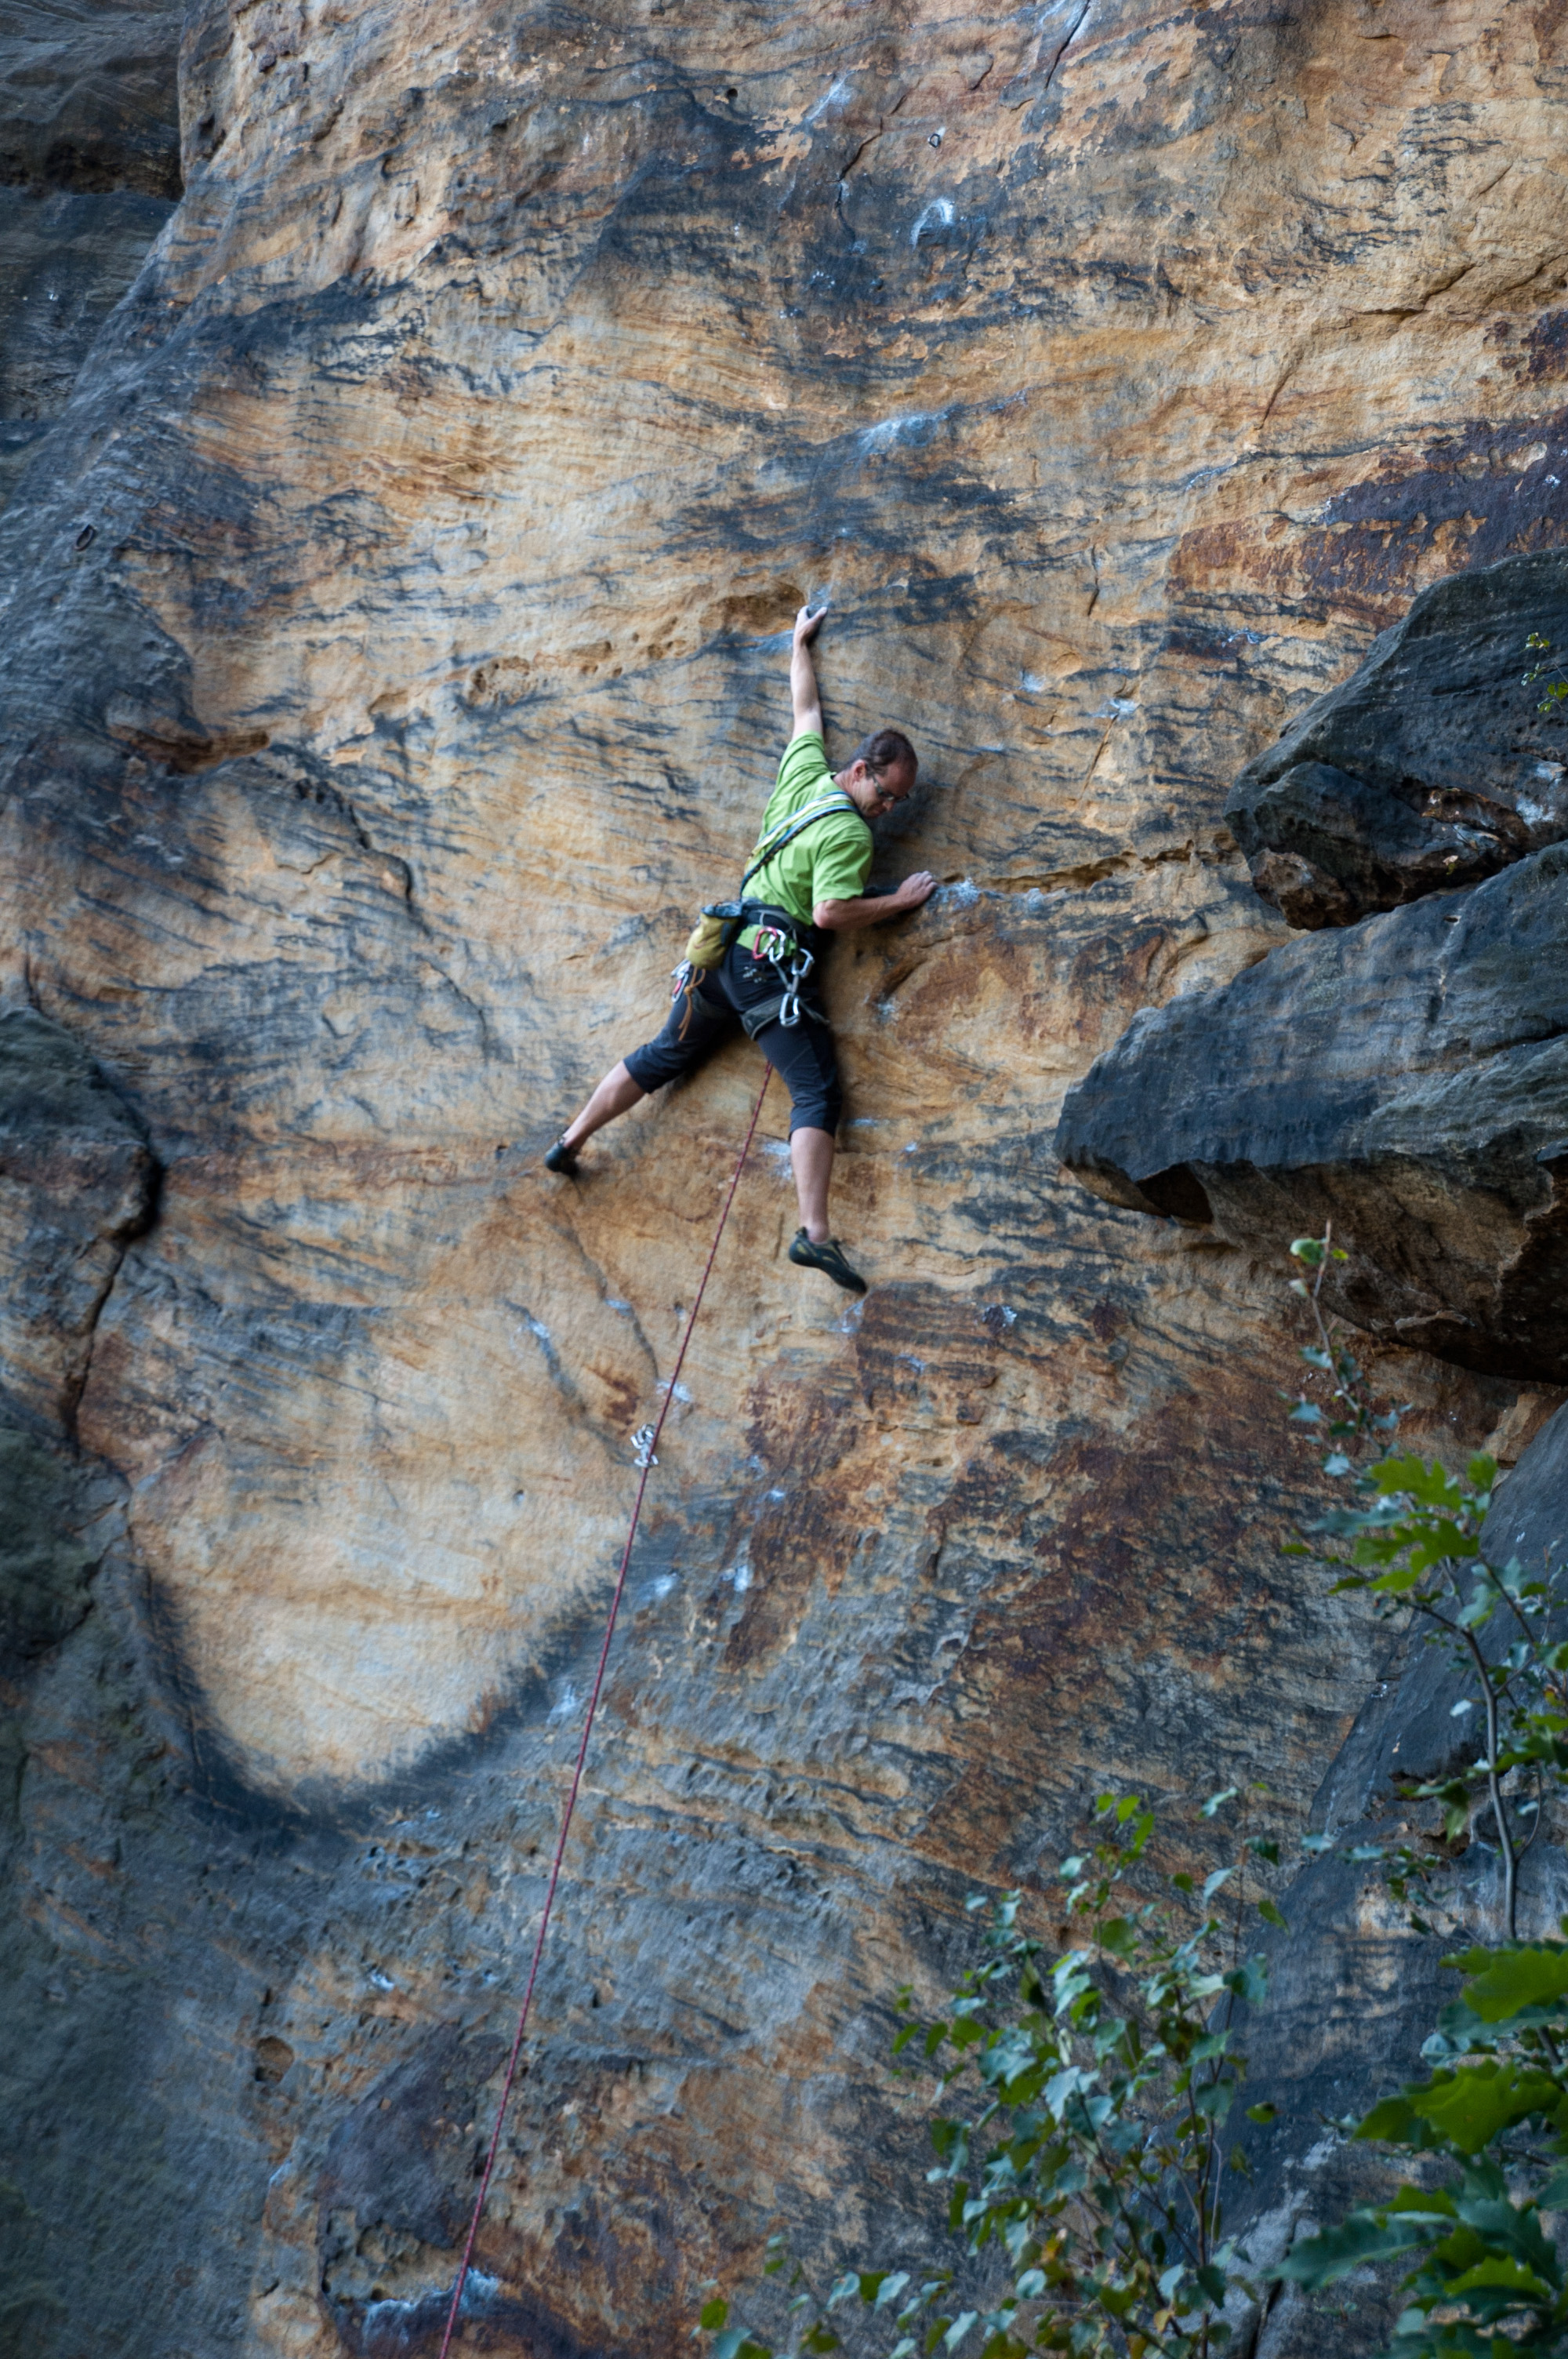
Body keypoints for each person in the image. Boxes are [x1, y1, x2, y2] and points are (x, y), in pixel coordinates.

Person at [544, 605, 936, 1293]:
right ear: (862, 770)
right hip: (767, 967)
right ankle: (816, 1237)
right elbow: (830, 910)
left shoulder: (806, 777)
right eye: (887, 794)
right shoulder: (849, 834)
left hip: (721, 952)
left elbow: (805, 710)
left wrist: (798, 642)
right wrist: (900, 902)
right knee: (815, 1091)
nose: (888, 809)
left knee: (664, 1054)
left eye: (897, 802)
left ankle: (570, 1140)